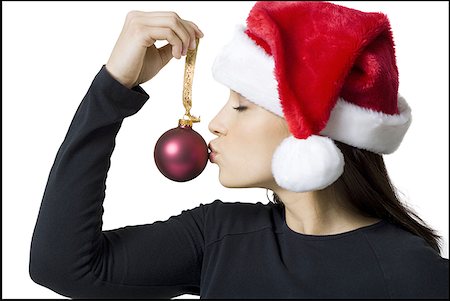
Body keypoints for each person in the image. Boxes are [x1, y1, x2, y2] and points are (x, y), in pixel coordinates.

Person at [29, 2, 448, 299]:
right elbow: (64, 267)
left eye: (242, 105)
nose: (215, 123)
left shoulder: (413, 274)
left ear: (310, 128)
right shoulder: (219, 236)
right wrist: (112, 88)